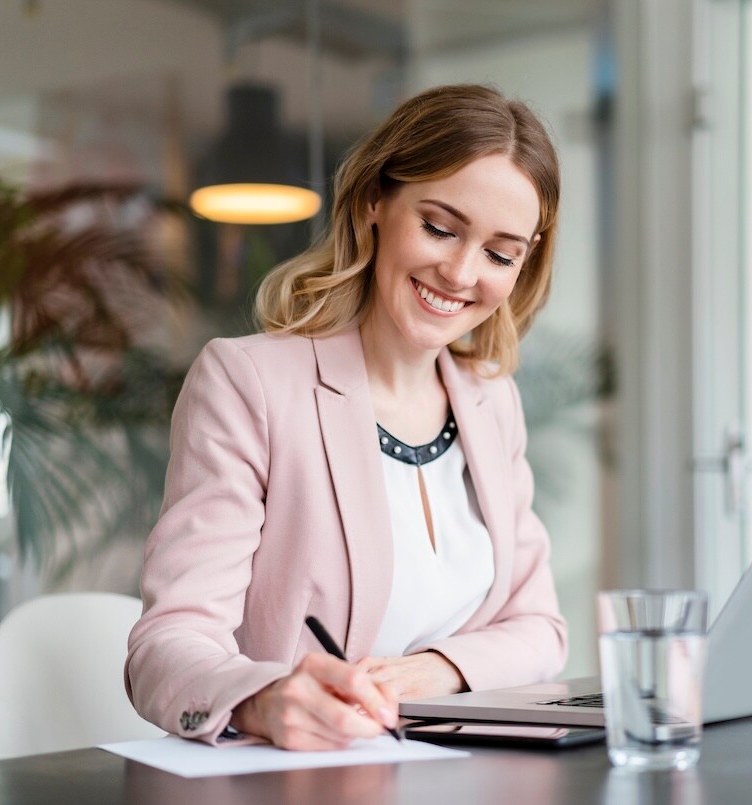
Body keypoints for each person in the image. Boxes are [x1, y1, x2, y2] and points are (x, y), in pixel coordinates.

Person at [125, 84, 568, 750]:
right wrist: (260, 700)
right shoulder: (249, 383)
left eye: (501, 253)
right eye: (440, 227)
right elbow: (167, 642)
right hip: (302, 776)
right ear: (373, 204)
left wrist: (433, 670)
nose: (460, 271)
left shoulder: (490, 400)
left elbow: (539, 628)